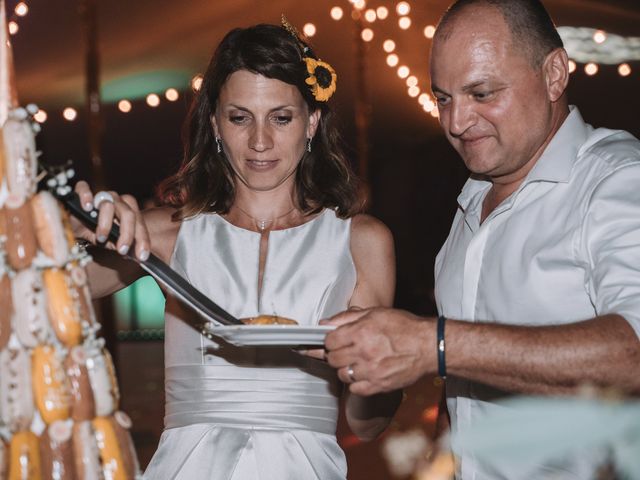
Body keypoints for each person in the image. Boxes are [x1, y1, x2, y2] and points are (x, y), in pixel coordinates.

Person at [322, 0, 640, 478]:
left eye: (483, 93)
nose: (455, 122)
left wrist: (436, 345)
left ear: (554, 73)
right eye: (444, 98)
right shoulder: (470, 205)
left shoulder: (617, 178)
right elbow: (465, 397)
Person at [74, 21, 400, 479]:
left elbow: (366, 426)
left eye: (281, 118)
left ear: (312, 122)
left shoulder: (362, 241)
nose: (260, 142)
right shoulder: (167, 233)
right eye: (240, 117)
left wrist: (374, 371)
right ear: (215, 124)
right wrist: (74, 222)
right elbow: (38, 295)